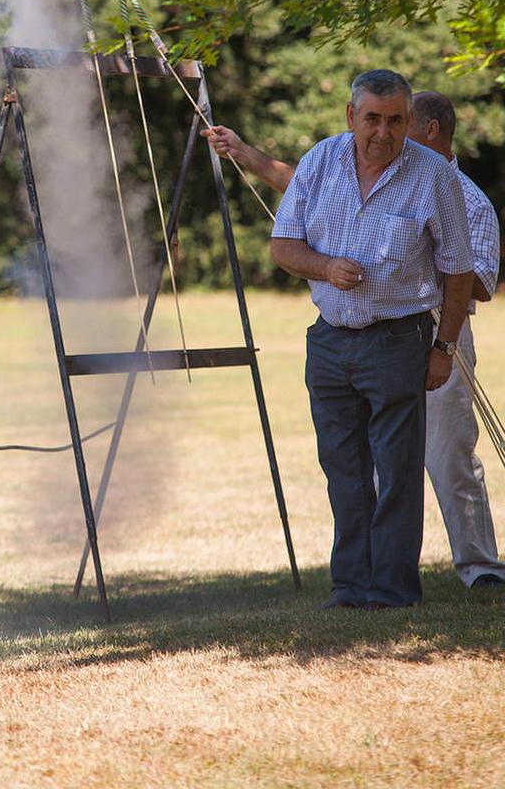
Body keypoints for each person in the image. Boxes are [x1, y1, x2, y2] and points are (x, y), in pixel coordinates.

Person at [204, 89, 505, 590]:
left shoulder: (466, 197)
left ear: (428, 130)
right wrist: (243, 152)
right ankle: (372, 573)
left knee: (449, 453)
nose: (385, 136)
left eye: (399, 124)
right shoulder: (353, 167)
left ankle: (480, 568)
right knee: (379, 458)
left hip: (436, 329)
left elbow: (479, 280)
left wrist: (416, 256)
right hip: (370, 337)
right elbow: (303, 188)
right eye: (375, 121)